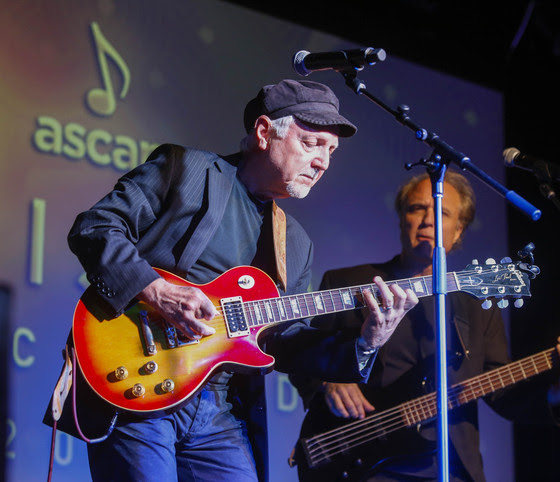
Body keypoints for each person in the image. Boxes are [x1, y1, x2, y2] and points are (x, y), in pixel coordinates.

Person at [43, 79, 418, 482]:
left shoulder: (295, 243)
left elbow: (284, 340)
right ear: (263, 132)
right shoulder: (184, 170)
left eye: (331, 150)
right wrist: (157, 291)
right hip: (142, 385)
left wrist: (369, 341)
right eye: (312, 143)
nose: (323, 161)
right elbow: (96, 227)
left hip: (219, 410)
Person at [290, 170, 560, 482]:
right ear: (401, 219)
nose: (428, 219)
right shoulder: (348, 283)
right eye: (417, 208)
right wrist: (327, 384)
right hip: (362, 464)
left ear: (459, 230)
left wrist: (555, 390)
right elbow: (301, 354)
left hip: (452, 465)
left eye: (442, 212)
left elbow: (502, 394)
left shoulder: (477, 304)